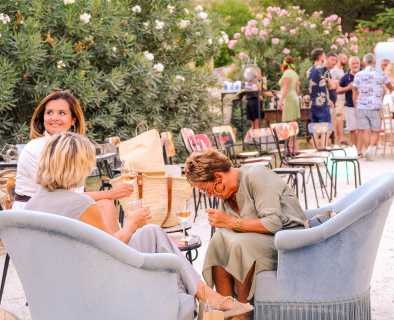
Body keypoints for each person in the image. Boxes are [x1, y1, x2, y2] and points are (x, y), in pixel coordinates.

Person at [25, 132, 253, 318]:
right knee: (159, 246)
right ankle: (208, 300)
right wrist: (131, 225)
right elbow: (112, 249)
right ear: (77, 166)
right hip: (94, 284)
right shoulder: (80, 203)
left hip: (61, 284)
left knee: (153, 233)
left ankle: (205, 300)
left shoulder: (32, 207)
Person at [184, 149, 307, 305]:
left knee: (238, 244)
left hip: (289, 240)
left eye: (207, 190)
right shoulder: (228, 195)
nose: (209, 196)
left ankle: (244, 310)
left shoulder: (256, 175)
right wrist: (226, 224)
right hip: (261, 242)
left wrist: (229, 221)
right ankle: (228, 310)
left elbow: (273, 223)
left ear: (218, 177)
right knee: (219, 240)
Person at [13, 91, 132, 233]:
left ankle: (114, 248)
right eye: (49, 112)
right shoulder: (35, 149)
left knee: (105, 205)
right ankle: (114, 247)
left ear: (73, 120)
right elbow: (59, 196)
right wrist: (111, 193)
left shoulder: (74, 149)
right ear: (43, 117)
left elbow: (74, 194)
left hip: (60, 207)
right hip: (35, 212)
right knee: (103, 205)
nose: (54, 118)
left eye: (62, 113)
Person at [353, 53, 394, 161]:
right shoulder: (381, 74)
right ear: (375, 62)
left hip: (361, 106)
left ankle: (368, 151)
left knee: (365, 131)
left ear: (363, 63)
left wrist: (355, 107)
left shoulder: (358, 75)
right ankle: (370, 150)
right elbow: (391, 87)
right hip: (375, 106)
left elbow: (355, 92)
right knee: (375, 131)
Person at [307, 48, 336, 148]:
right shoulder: (323, 69)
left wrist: (328, 97)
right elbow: (333, 85)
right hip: (322, 103)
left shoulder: (309, 71)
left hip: (313, 103)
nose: (324, 58)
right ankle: (324, 151)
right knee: (325, 129)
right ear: (320, 57)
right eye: (324, 56)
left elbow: (315, 88)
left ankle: (315, 152)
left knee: (315, 130)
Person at [337, 56, 362, 154]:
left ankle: (359, 149)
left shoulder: (363, 74)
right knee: (352, 129)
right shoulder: (345, 77)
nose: (355, 65)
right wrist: (347, 88)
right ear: (349, 65)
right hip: (350, 105)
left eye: (357, 63)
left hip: (362, 105)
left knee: (361, 129)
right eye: (353, 64)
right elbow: (338, 90)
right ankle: (354, 149)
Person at [330, 53, 348, 144]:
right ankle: (339, 137)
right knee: (339, 117)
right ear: (339, 59)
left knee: (341, 117)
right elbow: (331, 82)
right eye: (344, 58)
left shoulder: (341, 70)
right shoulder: (334, 70)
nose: (346, 60)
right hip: (338, 96)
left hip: (343, 96)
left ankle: (340, 136)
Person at [278, 56, 300, 122]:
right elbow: (297, 90)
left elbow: (286, 88)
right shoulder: (295, 73)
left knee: (288, 124)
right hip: (295, 98)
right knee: (292, 124)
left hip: (288, 99)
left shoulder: (287, 73)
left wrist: (280, 101)